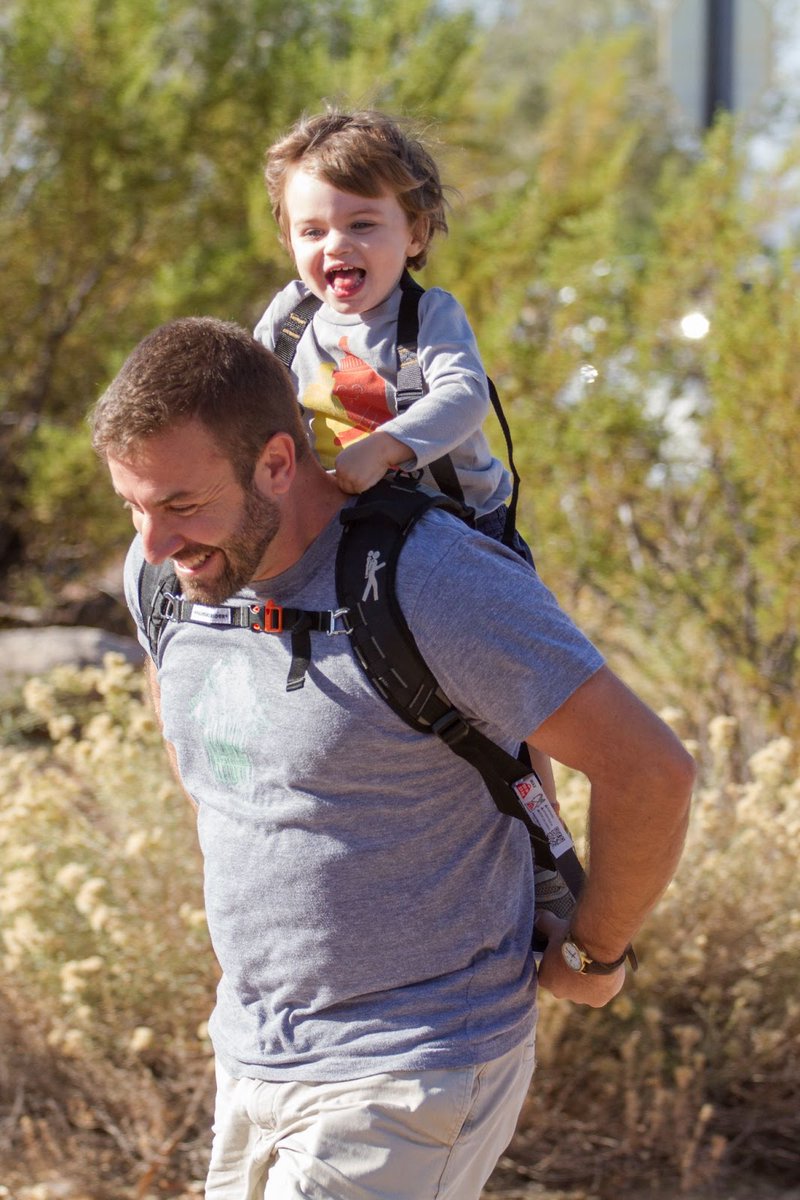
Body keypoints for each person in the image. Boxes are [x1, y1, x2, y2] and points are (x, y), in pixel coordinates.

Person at [90, 316, 694, 1200]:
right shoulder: (168, 580)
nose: (155, 543)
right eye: (132, 507)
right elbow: (198, 737)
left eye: (181, 505)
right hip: (253, 1051)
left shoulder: (433, 578)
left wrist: (595, 955)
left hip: (414, 1061)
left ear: (276, 463)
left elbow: (652, 770)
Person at [254, 108, 529, 558]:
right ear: (289, 242)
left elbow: (464, 395)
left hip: (459, 526)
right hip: (341, 521)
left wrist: (385, 448)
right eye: (312, 231)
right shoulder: (291, 316)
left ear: (415, 234)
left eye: (361, 224)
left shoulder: (428, 317)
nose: (336, 244)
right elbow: (246, 398)